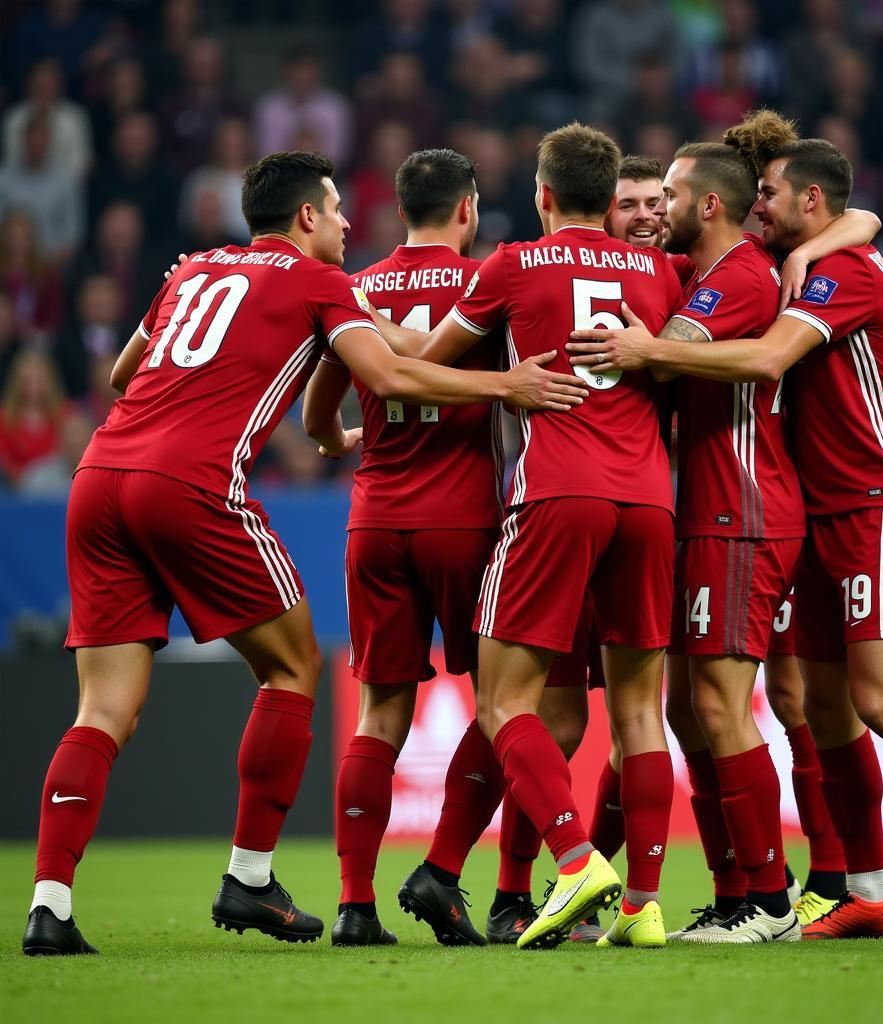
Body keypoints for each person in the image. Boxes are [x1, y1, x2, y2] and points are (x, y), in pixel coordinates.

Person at [21, 149, 587, 957]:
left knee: (103, 710)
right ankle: (250, 877)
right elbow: (388, 375)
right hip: (195, 485)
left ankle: (49, 906)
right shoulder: (320, 283)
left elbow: (121, 373)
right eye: (336, 207)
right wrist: (506, 386)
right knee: (294, 670)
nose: (350, 222)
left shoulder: (194, 269)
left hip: (99, 478)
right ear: (307, 218)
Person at [567, 137, 883, 941]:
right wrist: (821, 235)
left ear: (808, 200)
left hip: (880, 496)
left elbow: (772, 357)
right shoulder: (803, 255)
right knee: (821, 707)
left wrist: (647, 349)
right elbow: (854, 217)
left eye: (771, 195)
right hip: (817, 509)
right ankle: (867, 890)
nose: (759, 207)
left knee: (878, 698)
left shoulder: (838, 271)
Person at [374, 123, 687, 950]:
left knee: (505, 699)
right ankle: (643, 907)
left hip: (557, 494)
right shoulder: (662, 272)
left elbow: (429, 367)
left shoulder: (511, 264)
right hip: (653, 501)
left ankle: (575, 859)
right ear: (608, 195)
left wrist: (379, 326)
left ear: (543, 194)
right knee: (638, 717)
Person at [305, 148, 585, 948]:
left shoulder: (357, 288)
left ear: (400, 211)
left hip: (375, 519)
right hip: (465, 521)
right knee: (510, 705)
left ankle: (356, 906)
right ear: (467, 209)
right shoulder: (490, 281)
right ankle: (458, 874)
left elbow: (320, 417)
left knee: (379, 711)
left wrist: (340, 441)